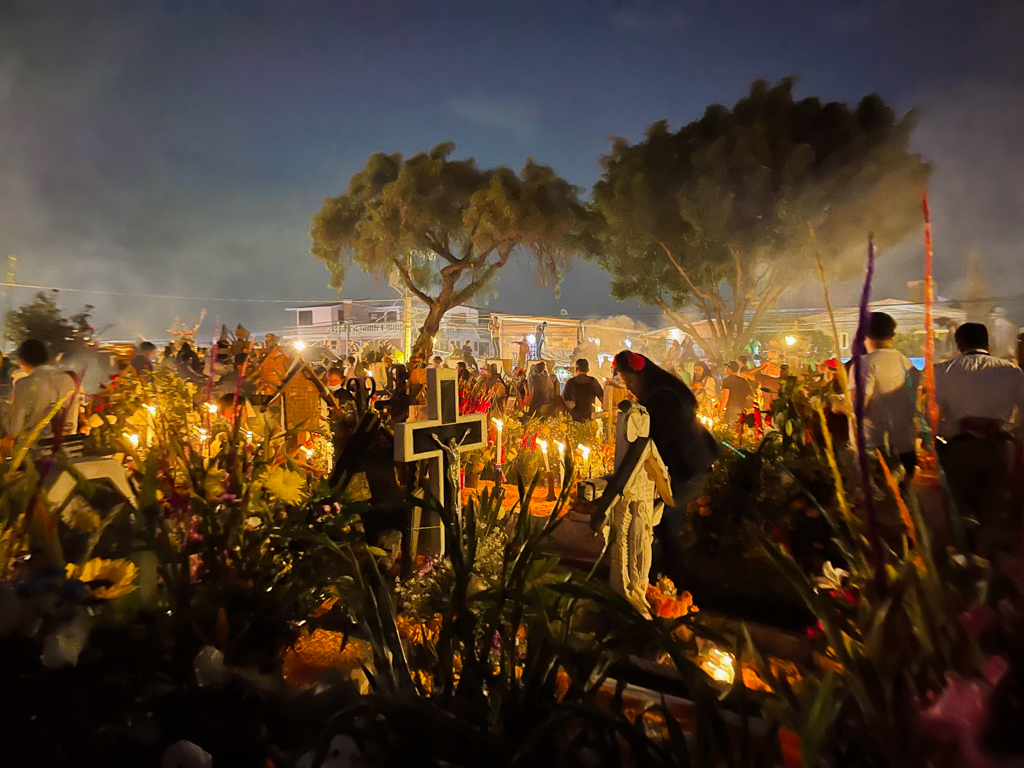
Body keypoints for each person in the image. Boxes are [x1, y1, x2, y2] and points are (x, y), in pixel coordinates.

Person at [610, 350, 717, 580]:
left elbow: (657, 440)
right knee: (665, 522)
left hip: (689, 465)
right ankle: (666, 578)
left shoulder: (662, 397)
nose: (628, 387)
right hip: (692, 462)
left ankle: (675, 582)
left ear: (643, 374)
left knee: (665, 520)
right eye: (624, 382)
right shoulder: (662, 391)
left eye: (629, 380)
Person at [934, 323, 1024, 552]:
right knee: (998, 514)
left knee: (959, 512)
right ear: (988, 343)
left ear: (959, 344)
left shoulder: (943, 370)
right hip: (1001, 449)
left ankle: (966, 566)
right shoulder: (1012, 371)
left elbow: (932, 414)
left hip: (959, 450)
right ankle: (995, 568)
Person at [857, 312, 919, 481]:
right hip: (906, 445)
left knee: (881, 503)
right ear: (893, 335)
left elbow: (857, 407)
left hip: (876, 447)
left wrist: (836, 403)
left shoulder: (865, 363)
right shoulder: (906, 362)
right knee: (905, 500)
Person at [2, 339, 79, 438]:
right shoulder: (68, 380)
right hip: (65, 445)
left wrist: (4, 408)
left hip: (36, 448)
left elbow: (14, 429)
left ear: (22, 361)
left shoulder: (23, 384)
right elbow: (72, 419)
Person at [562, 358, 605, 422]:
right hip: (589, 420)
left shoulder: (570, 382)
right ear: (588, 370)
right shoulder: (593, 382)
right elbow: (603, 399)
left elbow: (564, 400)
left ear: (576, 369)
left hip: (573, 420)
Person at [720, 361, 755, 427]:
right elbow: (750, 395)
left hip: (732, 409)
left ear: (729, 369)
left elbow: (725, 396)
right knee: (739, 430)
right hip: (742, 409)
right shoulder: (743, 381)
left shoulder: (727, 381)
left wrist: (720, 410)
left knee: (731, 430)